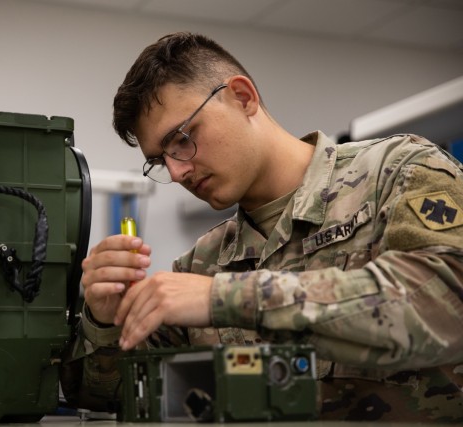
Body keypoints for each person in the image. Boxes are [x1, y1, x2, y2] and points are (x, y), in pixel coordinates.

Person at [60, 32, 463, 422]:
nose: (178, 170)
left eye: (182, 138)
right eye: (161, 161)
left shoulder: (398, 172)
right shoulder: (201, 264)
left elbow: (444, 303)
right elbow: (105, 396)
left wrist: (225, 298)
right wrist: (104, 319)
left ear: (243, 97)